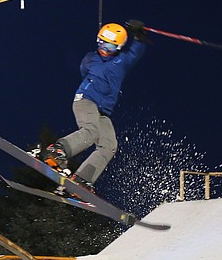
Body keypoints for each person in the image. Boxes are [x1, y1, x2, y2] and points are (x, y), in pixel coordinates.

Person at [39, 20, 148, 194]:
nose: (104, 49)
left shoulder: (121, 62)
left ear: (118, 48)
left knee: (109, 145)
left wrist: (139, 36)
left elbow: (136, 52)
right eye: (102, 43)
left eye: (110, 47)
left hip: (103, 111)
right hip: (86, 101)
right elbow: (84, 72)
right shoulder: (90, 58)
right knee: (90, 131)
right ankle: (57, 151)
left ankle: (83, 179)